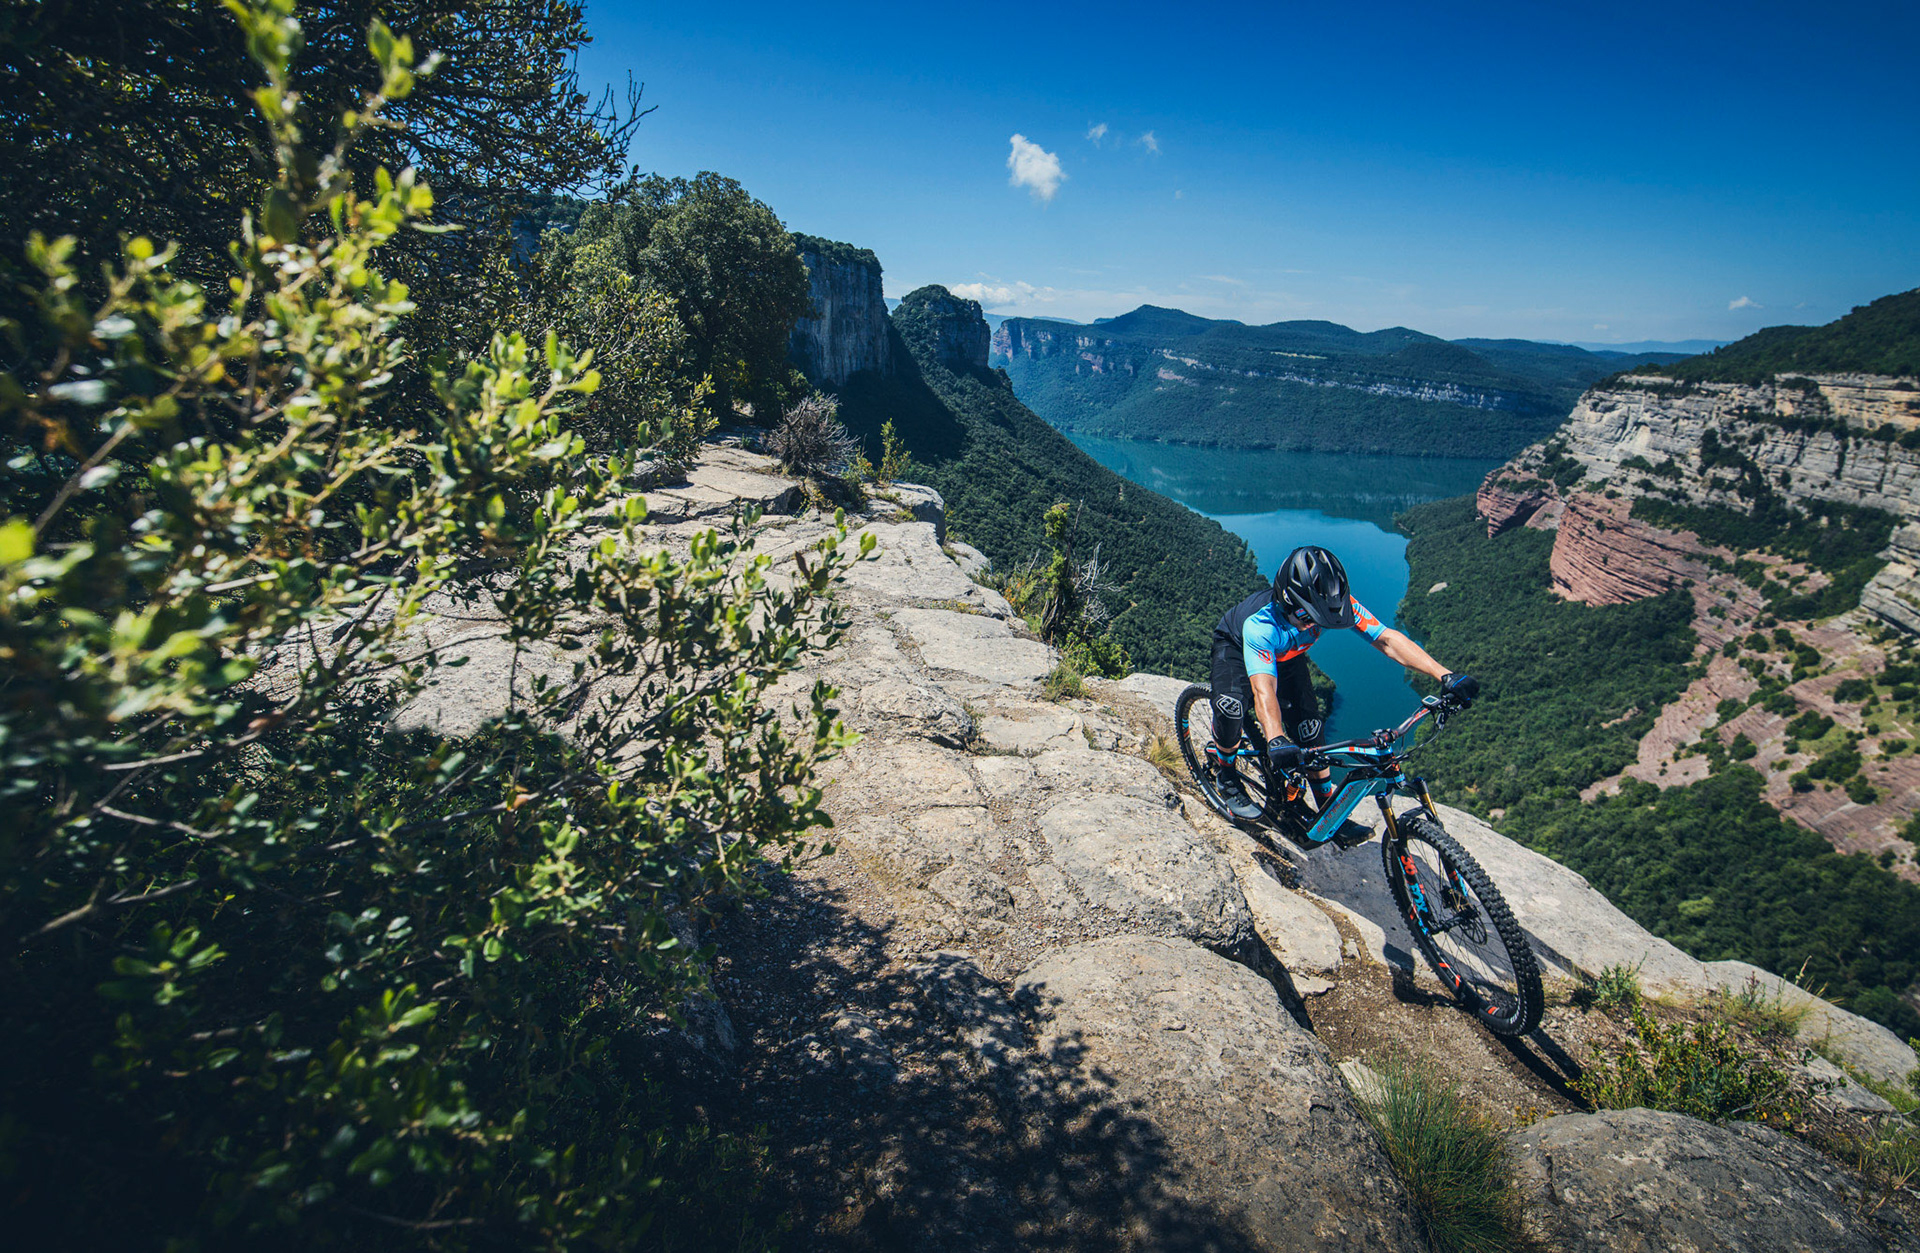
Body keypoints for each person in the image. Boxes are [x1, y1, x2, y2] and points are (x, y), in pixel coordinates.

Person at [1207, 545, 1479, 822]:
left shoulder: (1335, 605)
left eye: (1322, 619)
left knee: (1310, 730)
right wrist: (1275, 737)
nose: (1313, 625)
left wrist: (1445, 675)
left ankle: (1328, 813)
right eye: (1307, 617)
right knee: (1231, 708)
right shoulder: (1260, 625)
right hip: (1236, 647)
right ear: (1286, 600)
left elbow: (1386, 639)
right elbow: (1264, 689)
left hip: (1286, 654)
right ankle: (1225, 773)